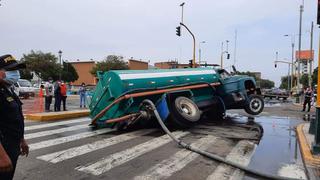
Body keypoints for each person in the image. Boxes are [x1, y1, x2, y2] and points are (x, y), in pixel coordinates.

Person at [0, 54, 29, 180]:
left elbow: (16, 118)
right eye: (11, 70)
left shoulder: (9, 90)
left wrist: (21, 139)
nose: (16, 73)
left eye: (16, 69)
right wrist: (1, 156)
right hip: (3, 148)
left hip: (12, 145)